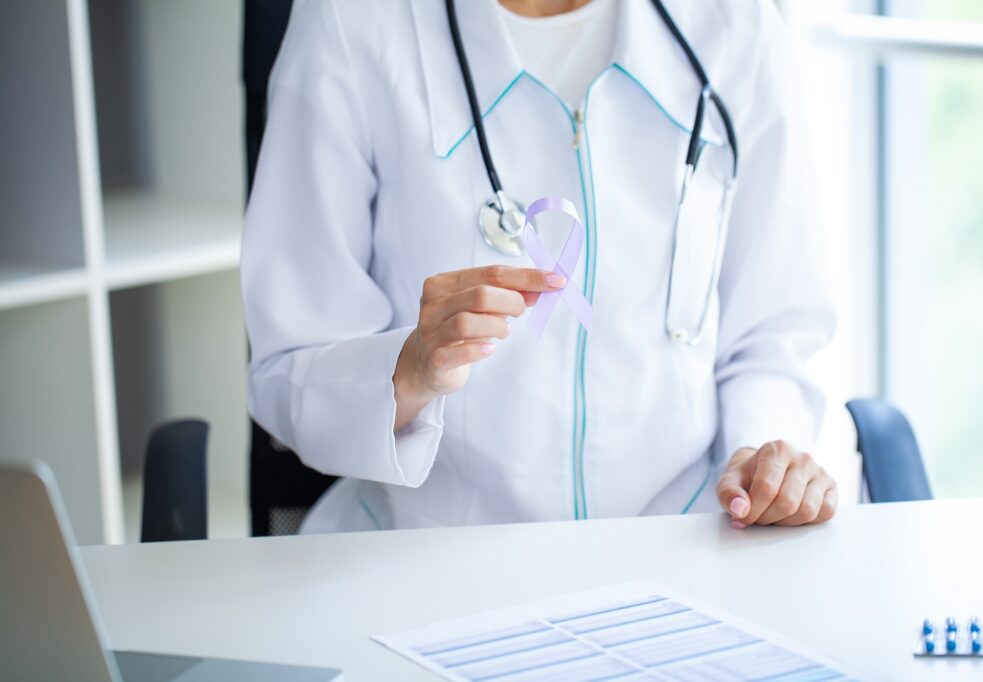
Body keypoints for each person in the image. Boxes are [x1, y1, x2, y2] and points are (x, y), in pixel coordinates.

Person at [241, 0, 838, 533]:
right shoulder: (352, 23)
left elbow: (773, 335)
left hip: (684, 541)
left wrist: (760, 457)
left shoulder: (737, 25)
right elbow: (290, 362)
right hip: (429, 554)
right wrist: (408, 371)